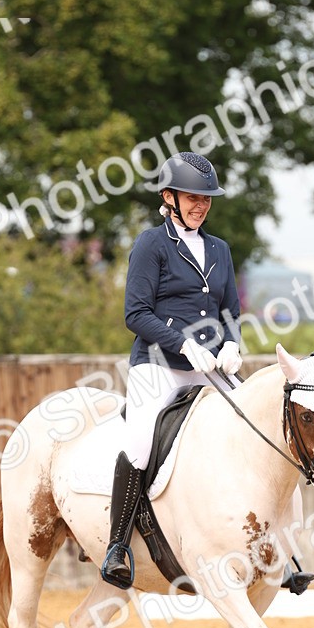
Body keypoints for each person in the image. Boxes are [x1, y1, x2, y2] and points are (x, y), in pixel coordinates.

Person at [101, 151, 243, 589]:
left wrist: (233, 343)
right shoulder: (152, 244)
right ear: (169, 197)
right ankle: (117, 546)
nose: (201, 206)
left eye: (207, 199)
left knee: (253, 427)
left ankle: (279, 547)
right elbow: (136, 313)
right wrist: (181, 342)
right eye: (193, 197)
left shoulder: (219, 249)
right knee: (141, 445)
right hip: (159, 365)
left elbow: (231, 311)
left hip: (209, 367)